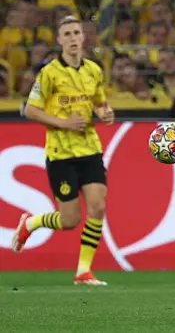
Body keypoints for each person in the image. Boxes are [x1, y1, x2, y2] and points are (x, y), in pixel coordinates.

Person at [12, 16, 115, 285]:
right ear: (59, 40)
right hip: (60, 154)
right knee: (70, 220)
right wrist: (64, 123)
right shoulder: (48, 73)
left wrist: (105, 113)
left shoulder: (93, 70)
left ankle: (83, 271)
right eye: (66, 33)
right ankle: (31, 223)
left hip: (90, 148)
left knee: (98, 207)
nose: (72, 38)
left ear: (83, 37)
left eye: (76, 33)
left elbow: (99, 102)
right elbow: (31, 110)